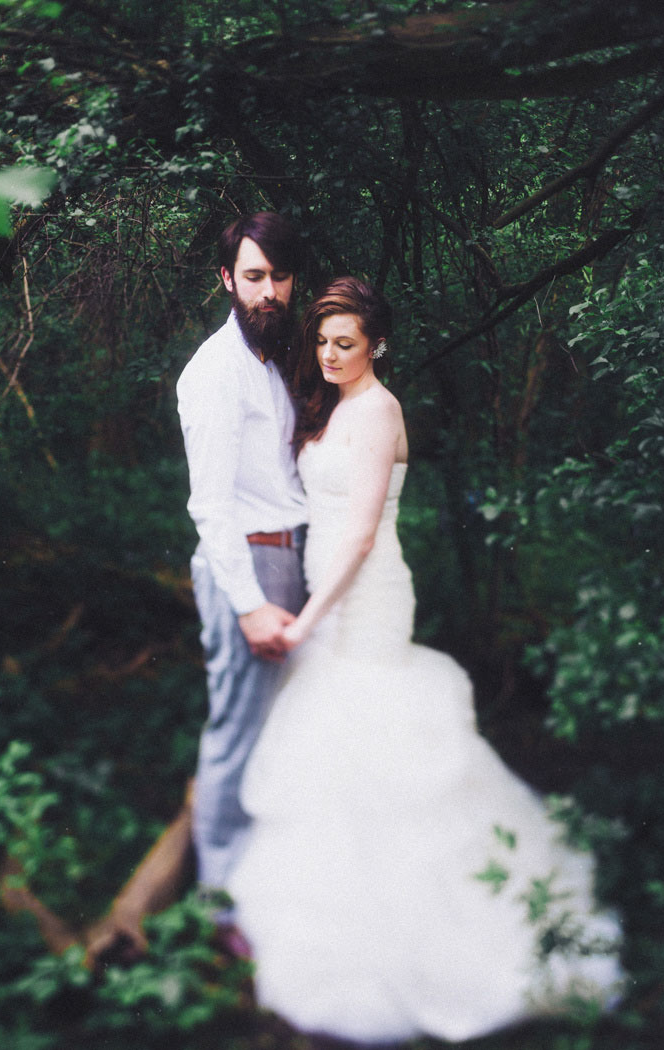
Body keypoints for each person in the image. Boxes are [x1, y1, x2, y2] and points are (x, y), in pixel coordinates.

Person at [229, 277, 625, 1044]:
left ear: (376, 343)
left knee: (378, 737)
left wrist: (308, 617)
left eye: (346, 342)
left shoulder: (379, 410)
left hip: (368, 598)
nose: (332, 355)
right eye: (323, 341)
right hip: (324, 590)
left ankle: (424, 935)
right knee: (332, 751)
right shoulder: (335, 406)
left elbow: (363, 535)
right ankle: (341, 914)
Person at [176, 212, 307, 926]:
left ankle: (264, 888)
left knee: (279, 729)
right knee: (237, 730)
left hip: (288, 558)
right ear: (227, 279)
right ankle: (219, 909)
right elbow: (210, 505)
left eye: (278, 277)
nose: (268, 291)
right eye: (253, 276)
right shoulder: (215, 372)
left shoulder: (272, 363)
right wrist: (251, 604)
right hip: (248, 566)